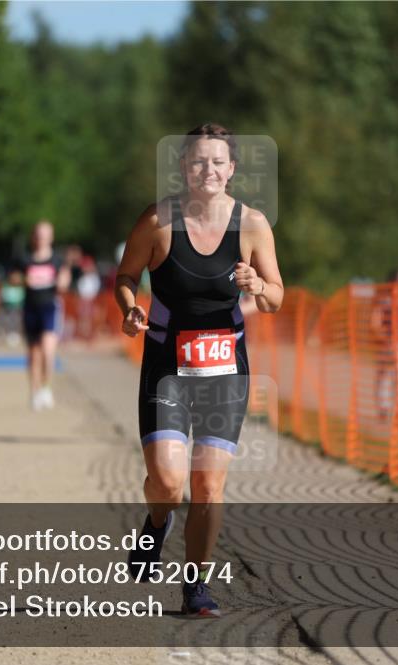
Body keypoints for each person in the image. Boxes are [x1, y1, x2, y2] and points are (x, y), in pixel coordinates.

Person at [115, 123, 283, 618]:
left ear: (231, 169)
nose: (207, 170)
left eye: (217, 162)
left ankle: (196, 586)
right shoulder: (158, 221)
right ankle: (157, 521)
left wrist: (257, 283)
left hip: (225, 368)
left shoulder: (251, 225)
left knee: (208, 485)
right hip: (166, 364)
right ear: (184, 168)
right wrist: (129, 305)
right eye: (197, 161)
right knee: (167, 483)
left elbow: (275, 298)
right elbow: (126, 275)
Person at [14, 221, 70, 410]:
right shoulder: (26, 259)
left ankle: (46, 388)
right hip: (30, 308)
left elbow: (65, 278)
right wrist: (23, 279)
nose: (41, 239)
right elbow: (13, 277)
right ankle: (34, 391)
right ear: (33, 237)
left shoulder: (57, 259)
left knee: (48, 350)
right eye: (38, 235)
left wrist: (63, 280)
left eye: (45, 235)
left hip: (50, 308)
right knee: (33, 354)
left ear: (51, 238)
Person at [370, 269, 398, 423]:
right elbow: (375, 320)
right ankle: (387, 409)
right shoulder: (386, 300)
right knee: (388, 377)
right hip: (389, 344)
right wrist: (382, 337)